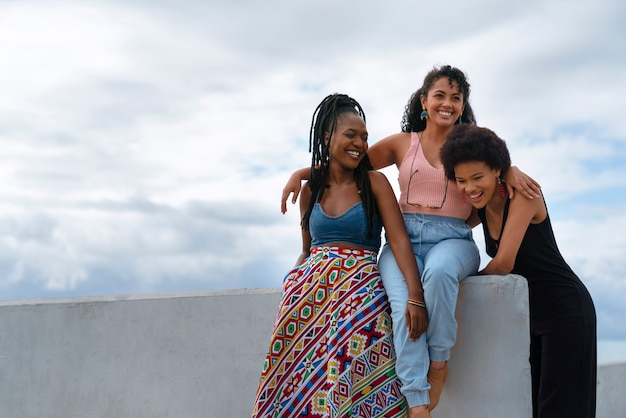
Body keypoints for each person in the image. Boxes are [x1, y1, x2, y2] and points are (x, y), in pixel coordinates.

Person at [281, 65, 542, 417]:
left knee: (439, 273)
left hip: (453, 237)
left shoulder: (468, 144)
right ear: (424, 100)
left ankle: (438, 362)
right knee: (403, 305)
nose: (447, 103)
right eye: (439, 95)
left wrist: (509, 169)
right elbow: (349, 163)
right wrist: (302, 173)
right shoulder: (405, 143)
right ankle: (417, 401)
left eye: (456, 97)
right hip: (404, 239)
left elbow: (493, 171)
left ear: (463, 105)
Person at [252, 93, 428, 418]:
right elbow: (306, 250)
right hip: (310, 301)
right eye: (351, 135)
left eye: (364, 137)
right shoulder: (310, 192)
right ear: (327, 137)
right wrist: (290, 287)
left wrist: (415, 296)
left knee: (354, 377)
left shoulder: (375, 183)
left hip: (359, 295)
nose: (360, 144)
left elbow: (399, 241)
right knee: (304, 391)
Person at [440, 124, 597, 418]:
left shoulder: (524, 195)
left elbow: (503, 263)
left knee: (561, 409)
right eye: (461, 180)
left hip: (566, 310)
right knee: (536, 408)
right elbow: (446, 225)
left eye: (477, 178)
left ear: (497, 170)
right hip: (532, 317)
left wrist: (462, 282)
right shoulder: (483, 206)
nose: (470, 188)